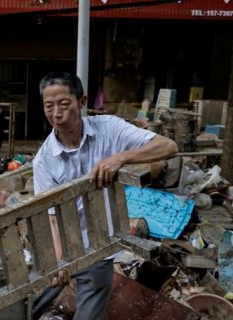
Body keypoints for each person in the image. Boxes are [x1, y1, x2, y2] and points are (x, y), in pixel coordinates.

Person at [32, 71, 178, 319]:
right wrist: (60, 260)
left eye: (64, 104)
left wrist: (119, 158)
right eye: (49, 106)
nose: (56, 113)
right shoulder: (44, 160)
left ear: (82, 101)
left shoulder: (109, 128)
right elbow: (51, 218)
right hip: (62, 245)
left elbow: (169, 146)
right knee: (33, 303)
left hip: (97, 246)